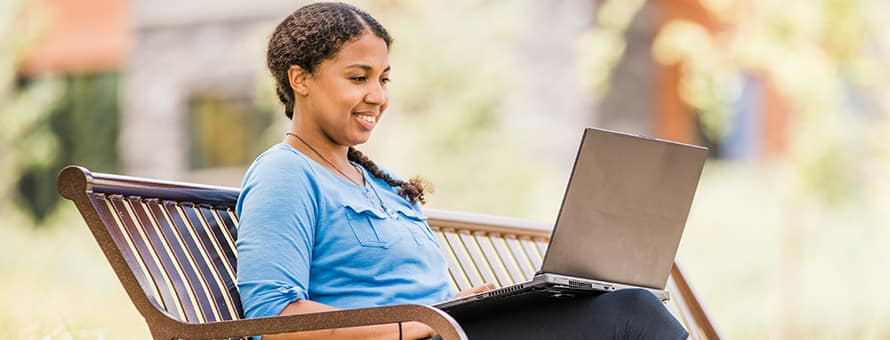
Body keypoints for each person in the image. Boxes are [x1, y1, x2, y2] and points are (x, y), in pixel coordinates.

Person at [235, 2, 689, 339]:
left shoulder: (376, 181)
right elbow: (272, 319)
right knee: (631, 313)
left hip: (450, 330)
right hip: (431, 334)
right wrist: (422, 320)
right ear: (300, 79)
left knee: (620, 304)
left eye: (384, 78)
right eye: (358, 78)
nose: (378, 95)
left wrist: (464, 306)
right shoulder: (285, 174)